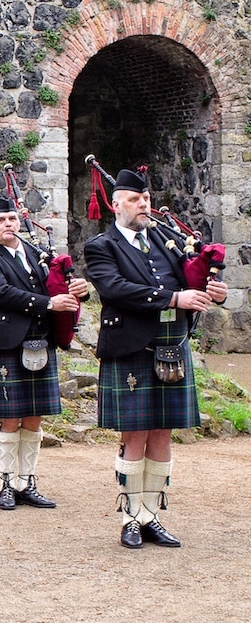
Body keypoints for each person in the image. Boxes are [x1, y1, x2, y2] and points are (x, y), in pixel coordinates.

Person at [84, 168, 227, 549]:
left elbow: (191, 278)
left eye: (145, 199)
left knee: (162, 432)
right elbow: (115, 289)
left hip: (172, 347)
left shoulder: (167, 240)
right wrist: (173, 299)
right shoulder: (102, 246)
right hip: (131, 348)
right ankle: (131, 518)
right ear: (116, 205)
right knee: (135, 436)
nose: (143, 205)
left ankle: (151, 516)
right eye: (134, 199)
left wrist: (215, 292)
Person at [0, 197, 88, 511]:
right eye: (1, 220)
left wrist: (78, 289)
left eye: (12, 218)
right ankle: (7, 483)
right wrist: (50, 304)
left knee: (34, 420)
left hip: (42, 342)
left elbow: (60, 282)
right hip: (9, 344)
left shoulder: (39, 254)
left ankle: (27, 481)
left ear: (20, 221)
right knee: (10, 420)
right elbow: (1, 293)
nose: (8, 224)